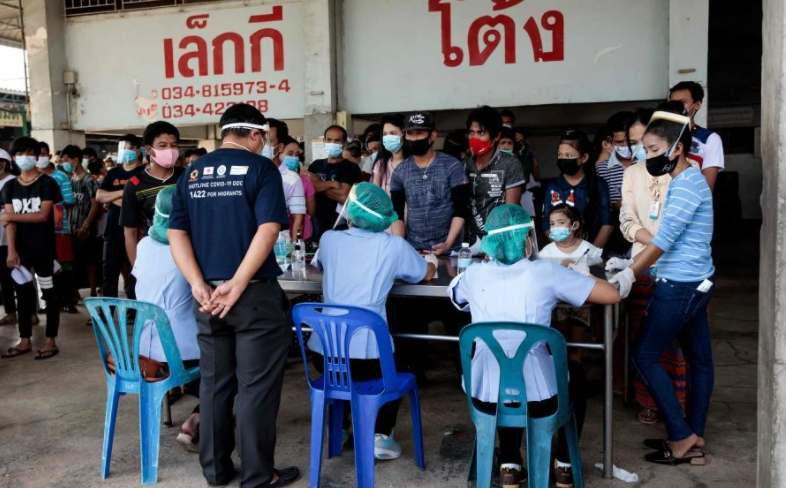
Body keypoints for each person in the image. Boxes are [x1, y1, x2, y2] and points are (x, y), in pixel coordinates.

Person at [168, 103, 300, 488]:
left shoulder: (191, 173)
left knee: (214, 384)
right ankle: (259, 476)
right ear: (256, 134)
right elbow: (269, 229)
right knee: (256, 389)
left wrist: (197, 284)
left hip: (206, 296)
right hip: (253, 296)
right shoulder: (262, 169)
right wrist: (239, 283)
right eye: (268, 139)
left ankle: (216, 471)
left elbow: (177, 233)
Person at [448, 204, 620, 488]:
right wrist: (584, 274)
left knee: (504, 380)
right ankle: (564, 465)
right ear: (524, 240)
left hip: (482, 397)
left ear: (491, 241)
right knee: (573, 373)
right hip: (543, 401)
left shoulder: (473, 274)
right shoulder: (547, 271)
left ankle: (509, 463)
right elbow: (611, 295)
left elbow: (455, 296)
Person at [609, 109, 714, 465]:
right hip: (694, 280)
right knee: (700, 361)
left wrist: (629, 272)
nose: (647, 157)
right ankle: (693, 435)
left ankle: (682, 435)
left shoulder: (687, 184)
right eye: (644, 150)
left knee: (644, 354)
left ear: (678, 148)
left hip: (680, 284)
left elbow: (664, 239)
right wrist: (629, 263)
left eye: (654, 150)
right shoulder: (688, 180)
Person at [309, 182, 437, 459]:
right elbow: (422, 274)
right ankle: (380, 434)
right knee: (399, 358)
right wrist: (433, 261)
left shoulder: (330, 239)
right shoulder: (394, 245)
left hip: (325, 353)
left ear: (351, 212)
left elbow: (319, 264)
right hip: (368, 360)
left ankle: (341, 428)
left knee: (341, 372)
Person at [617, 108, 688, 425]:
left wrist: (662, 244)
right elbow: (627, 221)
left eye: (643, 141)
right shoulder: (632, 173)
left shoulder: (686, 170)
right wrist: (654, 241)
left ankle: (678, 404)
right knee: (641, 334)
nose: (638, 149)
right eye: (633, 142)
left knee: (676, 341)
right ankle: (647, 399)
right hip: (642, 263)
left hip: (679, 267)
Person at [132, 187, 201, 452]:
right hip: (178, 354)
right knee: (232, 362)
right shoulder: (192, 248)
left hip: (142, 350)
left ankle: (199, 414)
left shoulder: (144, 244)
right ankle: (199, 419)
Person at [1, 137, 63, 360]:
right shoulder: (9, 186)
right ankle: (24, 339)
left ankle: (50, 340)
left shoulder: (47, 183)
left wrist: (9, 216)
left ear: (36, 157)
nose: (23, 158)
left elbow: (43, 215)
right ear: (14, 158)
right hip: (21, 252)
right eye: (19, 154)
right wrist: (11, 250)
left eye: (28, 153)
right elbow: (10, 223)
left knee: (49, 294)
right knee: (24, 295)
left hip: (44, 250)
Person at [390, 112, 470, 254]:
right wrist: (399, 247)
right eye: (410, 133)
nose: (414, 138)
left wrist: (447, 244)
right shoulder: (400, 172)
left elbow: (461, 209)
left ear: (432, 136)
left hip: (450, 250)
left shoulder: (452, 166)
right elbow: (397, 214)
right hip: (414, 250)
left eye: (419, 133)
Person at [120, 121, 183, 267]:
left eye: (174, 145)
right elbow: (130, 233)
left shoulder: (187, 178)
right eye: (162, 146)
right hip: (153, 257)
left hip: (188, 255)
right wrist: (138, 269)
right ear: (149, 150)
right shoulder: (135, 185)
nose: (170, 150)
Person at [463, 106, 525, 251]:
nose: (475, 138)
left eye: (481, 133)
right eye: (472, 133)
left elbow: (511, 210)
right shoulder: (465, 165)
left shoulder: (510, 164)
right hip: (469, 243)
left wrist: (498, 245)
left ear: (496, 136)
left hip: (499, 243)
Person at [542, 130, 613, 248]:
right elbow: (546, 225)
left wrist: (590, 253)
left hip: (592, 253)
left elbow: (607, 224)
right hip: (561, 253)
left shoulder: (598, 184)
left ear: (584, 158)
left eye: (569, 156)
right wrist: (563, 250)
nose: (563, 159)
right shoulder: (552, 186)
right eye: (560, 155)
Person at [97, 134, 143, 300]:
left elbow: (141, 198)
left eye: (130, 148)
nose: (125, 151)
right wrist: (125, 193)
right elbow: (100, 196)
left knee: (135, 271)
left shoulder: (144, 173)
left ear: (139, 151)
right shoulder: (113, 173)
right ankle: (108, 310)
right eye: (123, 147)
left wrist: (113, 197)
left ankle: (134, 310)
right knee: (109, 273)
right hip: (112, 231)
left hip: (137, 231)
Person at [307, 125, 361, 241]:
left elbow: (343, 196)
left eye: (337, 140)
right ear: (324, 141)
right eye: (329, 140)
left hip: (341, 226)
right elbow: (308, 188)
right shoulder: (316, 165)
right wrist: (331, 184)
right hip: (316, 225)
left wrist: (317, 183)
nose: (332, 143)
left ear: (345, 143)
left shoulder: (351, 168)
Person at [668, 81, 725, 192]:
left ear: (697, 105)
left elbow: (707, 189)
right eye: (673, 103)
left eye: (682, 102)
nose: (676, 107)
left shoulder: (709, 139)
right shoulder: (661, 136)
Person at [48, 144, 79, 313]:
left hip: (60, 226)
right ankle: (55, 300)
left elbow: (69, 201)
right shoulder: (35, 178)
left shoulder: (60, 177)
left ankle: (69, 298)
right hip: (42, 229)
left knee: (64, 263)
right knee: (49, 265)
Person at [69, 145, 101, 301]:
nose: (64, 163)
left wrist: (86, 226)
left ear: (76, 160)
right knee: (75, 262)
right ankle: (74, 292)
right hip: (72, 227)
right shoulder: (71, 179)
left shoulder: (89, 180)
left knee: (91, 263)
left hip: (86, 228)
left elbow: (96, 204)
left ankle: (93, 292)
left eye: (66, 160)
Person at [268, 127, 306, 240]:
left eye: (269, 141)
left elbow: (298, 219)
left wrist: (296, 249)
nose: (264, 145)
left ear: (279, 147)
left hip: (279, 242)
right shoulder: (249, 172)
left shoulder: (292, 178)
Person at [596, 112, 634, 209]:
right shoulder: (602, 169)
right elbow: (604, 206)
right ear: (610, 140)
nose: (627, 146)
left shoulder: (648, 162)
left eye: (630, 141)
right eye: (620, 142)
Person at [281, 136, 316, 242]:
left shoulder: (305, 179)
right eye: (290, 153)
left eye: (297, 154)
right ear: (279, 152)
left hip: (301, 234)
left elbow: (312, 210)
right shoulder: (270, 178)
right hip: (280, 236)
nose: (294, 158)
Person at [0, 149, 17, 326]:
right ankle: (10, 311)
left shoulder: (11, 182)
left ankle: (31, 312)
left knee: (18, 275)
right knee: (4, 278)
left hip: (10, 237)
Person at [373, 114, 407, 195]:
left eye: (393, 133)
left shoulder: (414, 163)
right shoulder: (380, 164)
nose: (388, 137)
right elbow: (375, 193)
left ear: (404, 135)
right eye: (385, 134)